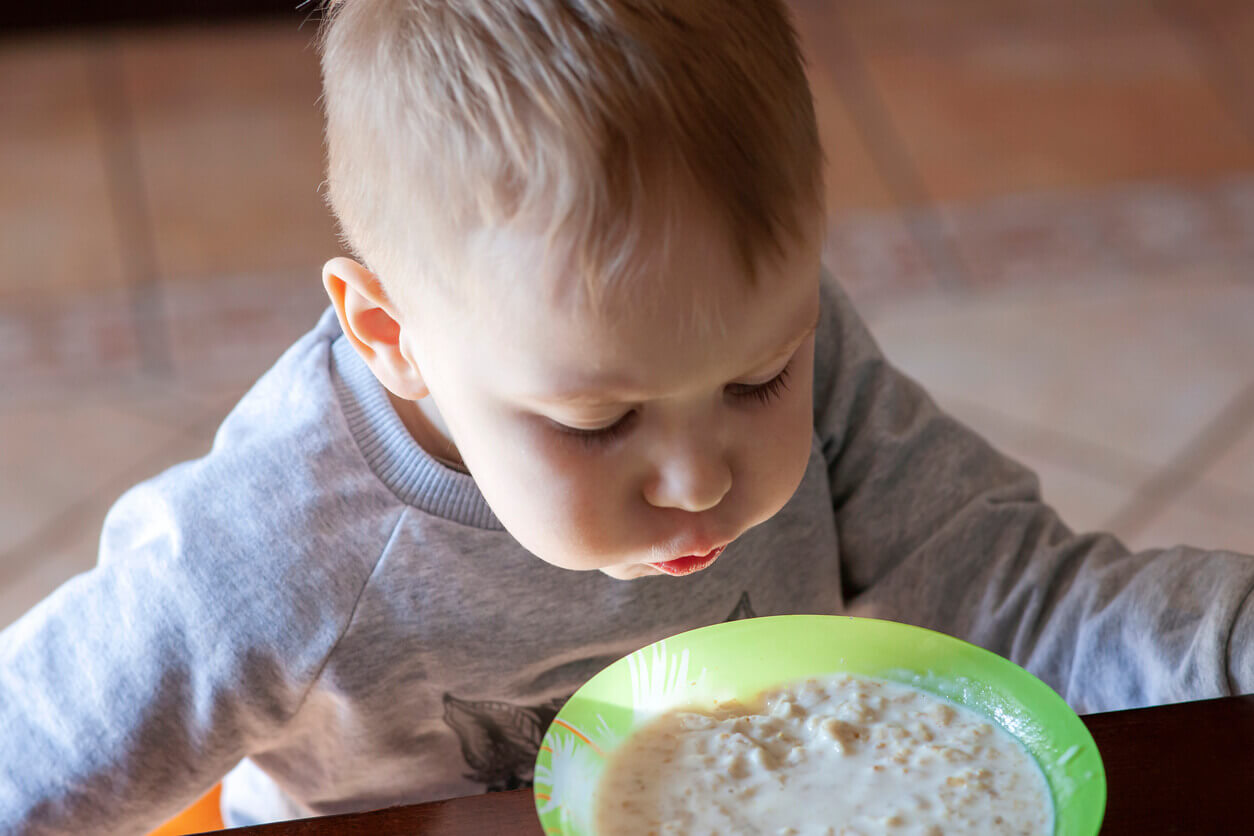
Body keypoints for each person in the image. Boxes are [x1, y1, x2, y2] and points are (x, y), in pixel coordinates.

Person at [2, 0, 1252, 831]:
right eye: (599, 422)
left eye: (762, 376)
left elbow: (1018, 598)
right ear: (395, 338)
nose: (701, 476)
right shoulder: (263, 554)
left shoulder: (797, 368)